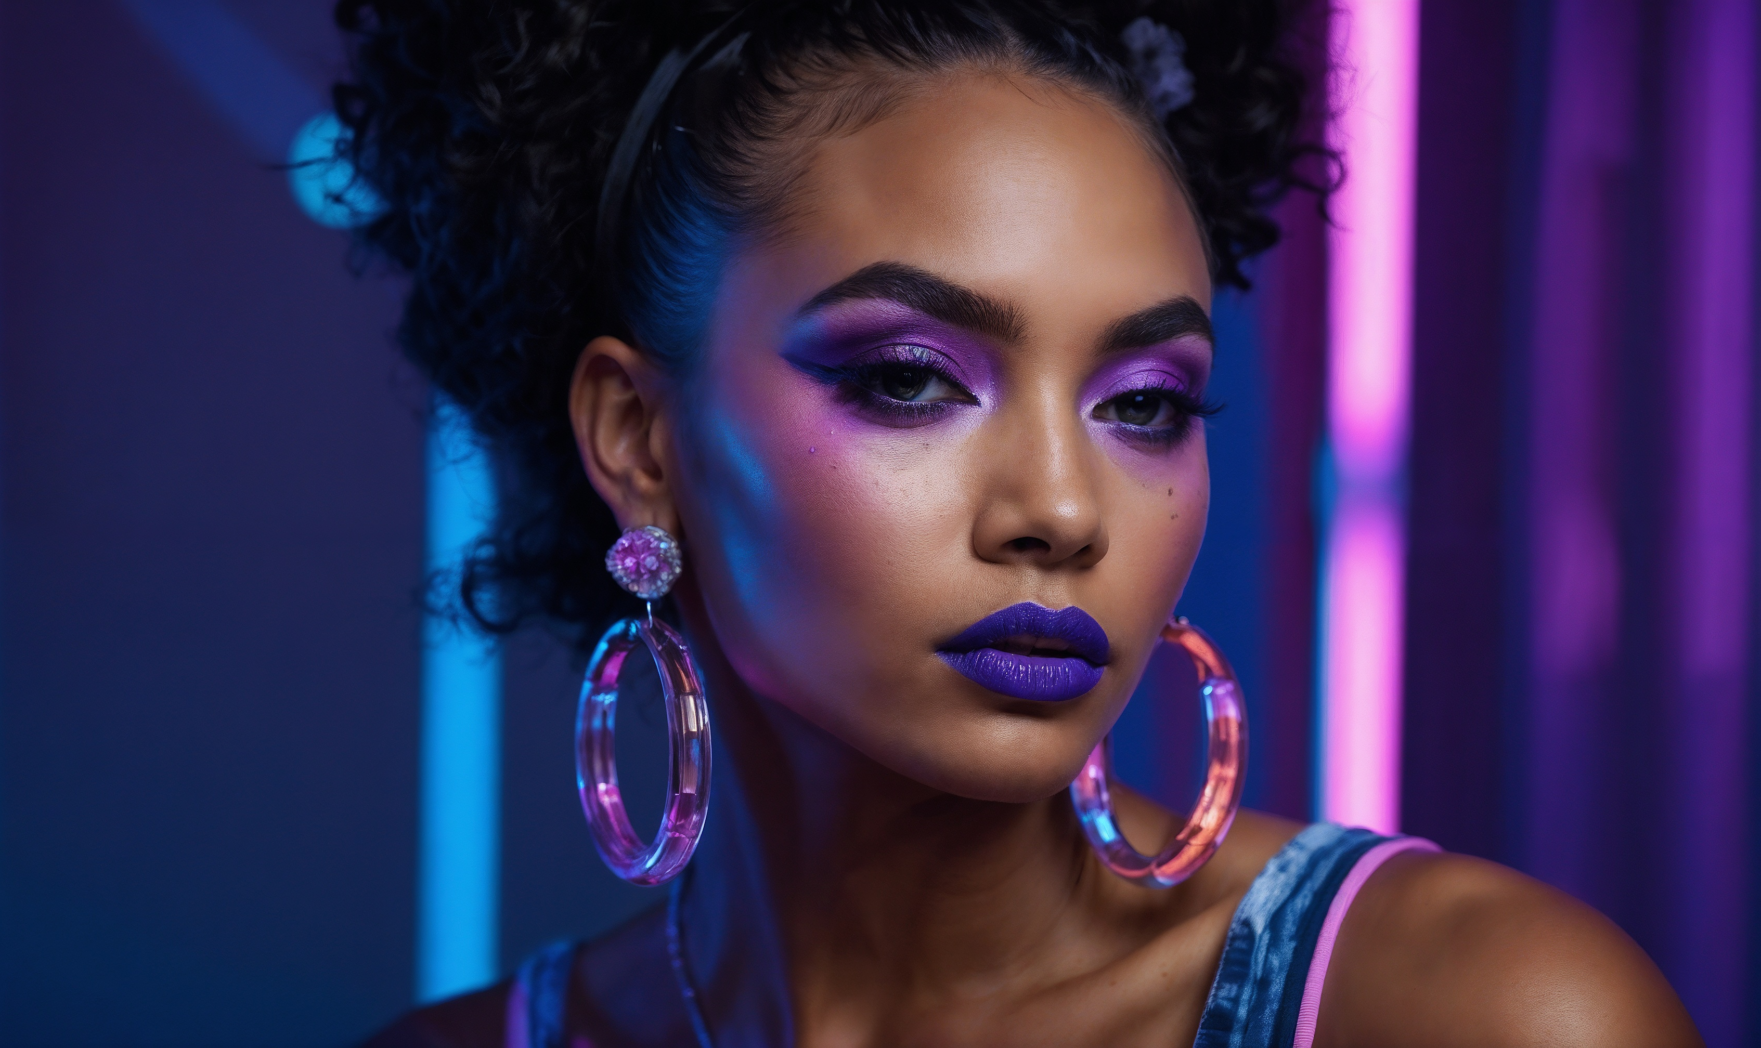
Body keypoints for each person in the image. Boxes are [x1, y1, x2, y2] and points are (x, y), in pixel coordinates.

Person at [338, 2, 1701, 1045]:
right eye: (911, 380)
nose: (1060, 508)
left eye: (1147, 402)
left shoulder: (1477, 1013)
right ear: (639, 441)